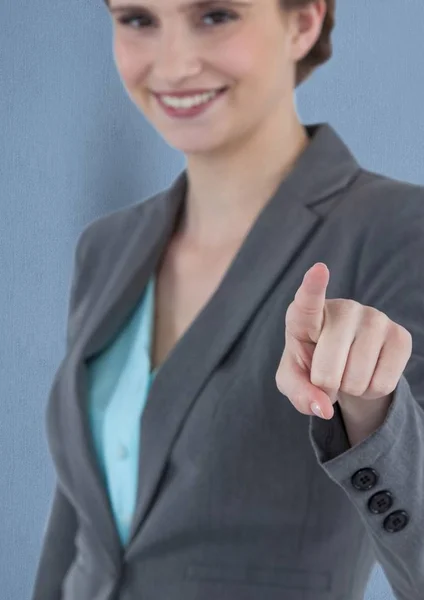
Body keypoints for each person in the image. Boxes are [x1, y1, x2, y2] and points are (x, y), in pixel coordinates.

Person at [31, 0, 424, 599]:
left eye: (215, 15)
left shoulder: (399, 230)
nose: (174, 63)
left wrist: (372, 411)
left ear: (303, 21)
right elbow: (79, 526)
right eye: (138, 19)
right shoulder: (106, 248)